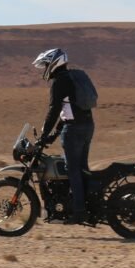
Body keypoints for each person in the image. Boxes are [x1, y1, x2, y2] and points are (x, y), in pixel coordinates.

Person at [32, 48, 96, 225]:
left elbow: (54, 110)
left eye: (45, 65)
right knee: (82, 168)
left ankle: (79, 211)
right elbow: (68, 111)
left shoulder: (60, 82)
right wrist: (53, 135)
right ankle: (89, 205)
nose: (45, 69)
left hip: (74, 130)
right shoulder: (73, 79)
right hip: (87, 126)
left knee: (72, 169)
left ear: (54, 63)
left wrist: (44, 135)